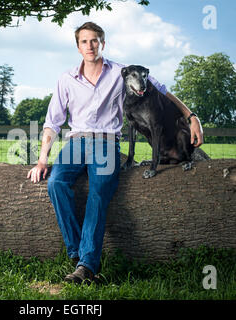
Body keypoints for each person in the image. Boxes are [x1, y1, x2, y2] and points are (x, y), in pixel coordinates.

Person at [27, 22, 203, 284]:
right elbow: (53, 122)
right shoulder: (66, 79)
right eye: (85, 41)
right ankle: (77, 251)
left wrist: (192, 117)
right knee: (55, 183)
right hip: (76, 142)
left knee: (98, 193)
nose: (90, 45)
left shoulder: (122, 72)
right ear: (78, 46)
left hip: (107, 143)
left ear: (103, 43)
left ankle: (86, 266)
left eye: (95, 40)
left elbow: (163, 90)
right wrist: (42, 159)